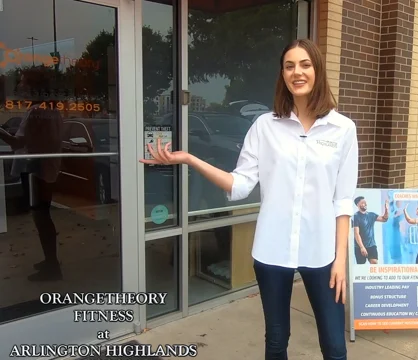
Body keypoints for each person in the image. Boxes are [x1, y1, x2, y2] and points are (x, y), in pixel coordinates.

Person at [140, 38, 358, 360]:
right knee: (276, 342)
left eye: (305, 64)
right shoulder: (265, 126)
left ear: (317, 70)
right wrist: (189, 159)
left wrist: (340, 260)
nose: (297, 72)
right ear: (282, 75)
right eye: (289, 66)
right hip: (272, 250)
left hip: (322, 251)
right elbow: (240, 185)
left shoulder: (342, 129)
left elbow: (343, 201)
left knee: (335, 347)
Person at [0, 68, 63, 281]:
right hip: (45, 167)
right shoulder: (52, 109)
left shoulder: (36, 111)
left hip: (36, 168)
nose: (19, 86)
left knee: (41, 215)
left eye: (23, 82)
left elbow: (19, 143)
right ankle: (50, 260)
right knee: (43, 215)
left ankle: (52, 265)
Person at [352, 196, 389, 265]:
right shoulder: (355, 216)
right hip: (359, 246)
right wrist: (362, 247)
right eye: (363, 203)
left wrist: (386, 210)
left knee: (374, 263)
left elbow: (384, 219)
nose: (365, 204)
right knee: (361, 266)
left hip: (371, 245)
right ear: (358, 205)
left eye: (365, 202)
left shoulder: (371, 215)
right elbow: (356, 233)